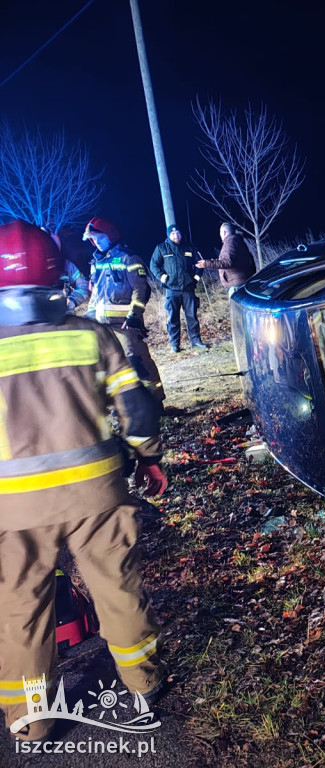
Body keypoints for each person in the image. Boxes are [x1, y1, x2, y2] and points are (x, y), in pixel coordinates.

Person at [0, 220, 168, 742]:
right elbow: (136, 410)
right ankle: (142, 682)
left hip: (14, 509)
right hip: (98, 494)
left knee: (22, 608)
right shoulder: (92, 335)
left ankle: (33, 720)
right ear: (57, 272)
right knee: (116, 587)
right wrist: (149, 458)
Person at [82, 217, 165, 404]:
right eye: (92, 239)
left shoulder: (129, 258)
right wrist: (89, 318)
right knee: (111, 368)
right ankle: (125, 408)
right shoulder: (96, 262)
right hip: (103, 327)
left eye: (98, 237)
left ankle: (156, 403)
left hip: (126, 326)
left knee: (139, 363)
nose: (95, 242)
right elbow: (96, 294)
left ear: (110, 236)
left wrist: (134, 316)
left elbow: (140, 289)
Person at [150, 224, 208, 352]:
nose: (176, 236)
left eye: (178, 233)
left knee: (192, 316)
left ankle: (196, 341)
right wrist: (162, 277)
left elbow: (199, 264)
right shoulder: (161, 248)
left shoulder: (189, 247)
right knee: (173, 318)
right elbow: (153, 265)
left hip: (188, 288)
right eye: (173, 234)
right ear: (168, 235)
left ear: (181, 234)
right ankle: (174, 345)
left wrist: (196, 279)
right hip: (172, 289)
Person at [195, 221, 256, 298]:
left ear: (224, 232)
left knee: (236, 309)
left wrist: (207, 263)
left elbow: (227, 262)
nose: (220, 235)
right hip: (242, 281)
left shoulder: (230, 242)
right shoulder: (238, 240)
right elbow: (250, 258)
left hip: (236, 285)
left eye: (220, 233)